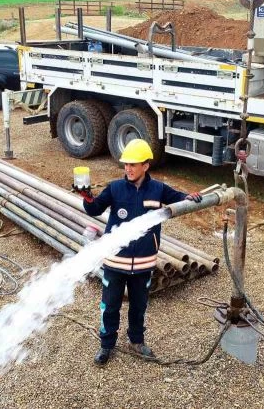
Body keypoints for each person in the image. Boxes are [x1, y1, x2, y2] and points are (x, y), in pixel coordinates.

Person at [77, 139, 202, 366]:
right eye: (126, 164)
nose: (128, 169)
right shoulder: (115, 188)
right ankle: (106, 345)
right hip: (115, 262)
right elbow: (94, 209)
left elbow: (180, 199)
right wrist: (87, 196)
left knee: (139, 306)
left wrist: (189, 197)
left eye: (133, 164)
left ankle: (137, 340)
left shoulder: (158, 189)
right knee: (110, 305)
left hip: (144, 264)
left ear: (146, 165)